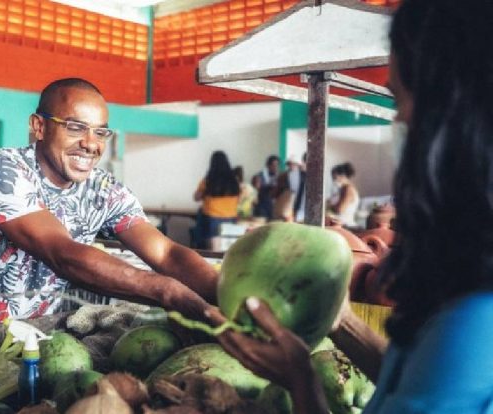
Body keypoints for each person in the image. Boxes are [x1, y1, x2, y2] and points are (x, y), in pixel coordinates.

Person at [211, 0, 493, 412]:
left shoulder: (474, 319)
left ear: (454, 112)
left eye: (400, 101)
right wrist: (341, 321)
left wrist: (300, 380)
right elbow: (415, 384)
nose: (399, 123)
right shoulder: (467, 276)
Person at [0, 78, 219, 334]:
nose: (91, 144)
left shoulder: (102, 189)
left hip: (33, 341)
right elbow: (61, 253)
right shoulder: (2, 170)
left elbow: (166, 253)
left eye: (100, 132)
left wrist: (226, 293)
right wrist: (166, 291)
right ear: (39, 127)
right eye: (76, 128)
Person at [192, 151, 240, 249]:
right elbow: (238, 198)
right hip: (231, 217)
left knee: (213, 248)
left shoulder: (208, 180)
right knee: (228, 247)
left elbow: (196, 197)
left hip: (212, 217)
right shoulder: (234, 181)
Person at [272, 155, 304, 222]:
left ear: (298, 165)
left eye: (294, 164)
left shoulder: (304, 175)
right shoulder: (283, 176)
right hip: (287, 202)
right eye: (290, 164)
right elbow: (278, 190)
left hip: (301, 203)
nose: (292, 166)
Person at [327, 162, 360, 227]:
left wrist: (328, 205)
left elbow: (340, 210)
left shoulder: (348, 189)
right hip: (338, 223)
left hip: (344, 225)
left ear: (343, 176)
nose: (334, 181)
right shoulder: (341, 190)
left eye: (335, 178)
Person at [252, 155, 280, 219]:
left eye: (277, 165)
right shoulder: (260, 176)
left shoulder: (279, 176)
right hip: (262, 206)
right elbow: (256, 188)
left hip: (274, 207)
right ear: (268, 165)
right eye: (273, 165)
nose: (275, 167)